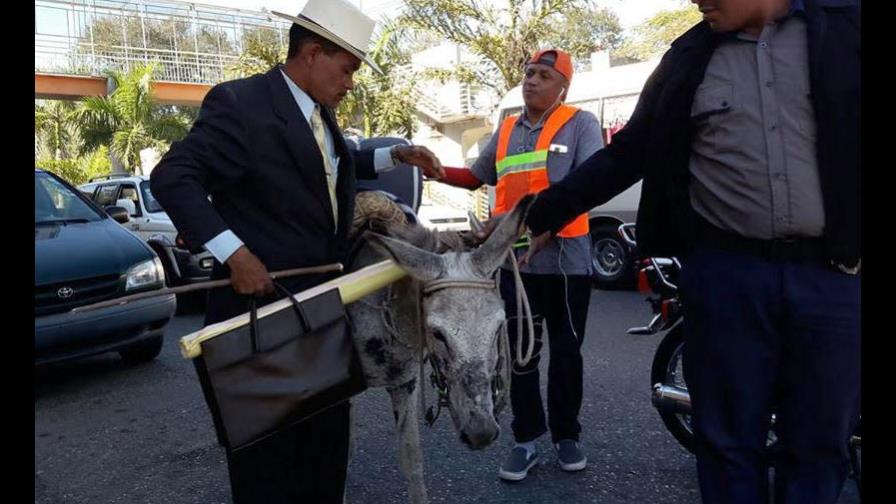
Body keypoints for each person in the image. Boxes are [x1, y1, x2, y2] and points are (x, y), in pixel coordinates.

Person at [515, 1, 860, 502]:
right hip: (726, 278)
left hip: (831, 279)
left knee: (819, 449)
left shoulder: (846, 29)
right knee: (725, 448)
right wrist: (541, 215)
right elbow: (629, 150)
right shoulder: (687, 57)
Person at [150, 0, 443, 501]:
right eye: (347, 68)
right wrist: (234, 253)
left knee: (324, 457)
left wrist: (394, 153)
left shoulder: (319, 116)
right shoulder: (240, 104)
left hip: (322, 315)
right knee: (269, 468)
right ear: (313, 53)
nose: (351, 81)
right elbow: (172, 177)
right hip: (258, 324)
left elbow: (330, 160)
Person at [438, 48, 604, 481]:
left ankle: (567, 436)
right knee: (520, 355)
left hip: (568, 263)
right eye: (529, 73)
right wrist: (433, 169)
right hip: (516, 265)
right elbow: (477, 176)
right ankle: (526, 439)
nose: (531, 80)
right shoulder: (508, 127)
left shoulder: (580, 123)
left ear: (562, 86)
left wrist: (543, 232)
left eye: (543, 75)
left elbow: (586, 188)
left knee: (567, 355)